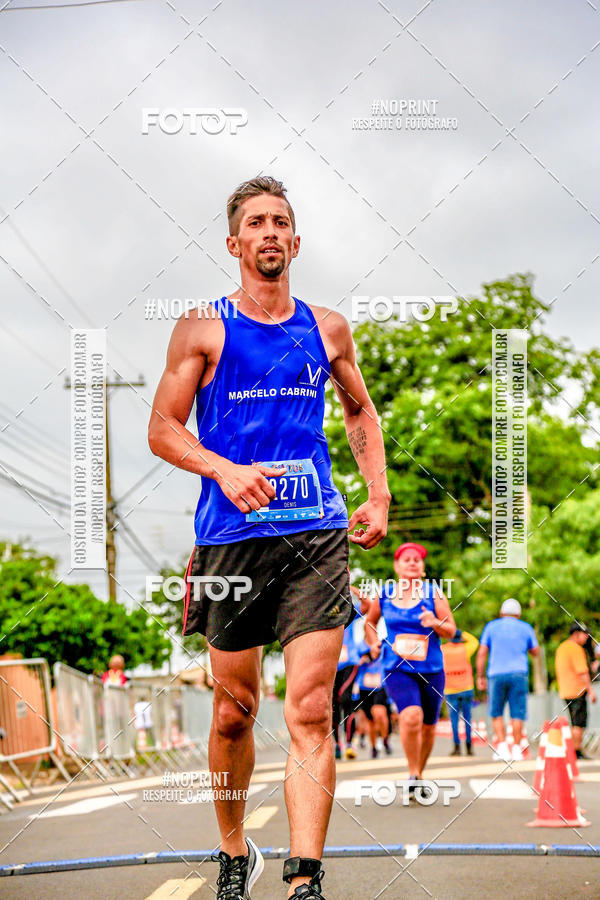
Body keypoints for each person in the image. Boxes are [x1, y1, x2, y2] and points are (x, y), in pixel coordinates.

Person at [148, 176, 390, 900]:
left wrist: (377, 493)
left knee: (312, 706)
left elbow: (360, 413)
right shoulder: (201, 328)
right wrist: (222, 467)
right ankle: (233, 851)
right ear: (235, 243)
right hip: (230, 538)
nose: (270, 232)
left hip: (314, 532)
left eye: (281, 221)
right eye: (256, 223)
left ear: (295, 239)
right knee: (233, 710)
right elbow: (161, 428)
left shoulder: (327, 327)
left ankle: (305, 878)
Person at [364, 543, 456, 794]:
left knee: (428, 727)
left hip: (431, 668)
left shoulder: (434, 593)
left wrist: (434, 622)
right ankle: (413, 773)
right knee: (410, 716)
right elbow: (370, 623)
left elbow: (451, 631)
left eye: (417, 559)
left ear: (423, 567)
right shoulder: (384, 594)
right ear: (397, 566)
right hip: (397, 667)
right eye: (407, 559)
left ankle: (419, 773)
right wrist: (373, 643)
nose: (413, 562)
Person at [476, 598, 539, 762]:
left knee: (496, 711)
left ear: (501, 613)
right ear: (518, 614)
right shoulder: (526, 628)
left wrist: (480, 676)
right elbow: (535, 651)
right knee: (517, 712)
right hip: (519, 674)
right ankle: (517, 748)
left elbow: (482, 652)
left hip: (496, 674)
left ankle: (502, 747)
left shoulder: (491, 627)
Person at [332, 586, 366, 761]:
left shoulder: (349, 608)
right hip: (330, 664)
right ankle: (338, 744)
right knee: (333, 707)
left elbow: (367, 605)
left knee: (345, 698)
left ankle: (350, 743)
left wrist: (351, 587)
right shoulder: (324, 609)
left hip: (349, 662)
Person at [555, 622, 597, 760]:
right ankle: (576, 751)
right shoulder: (575, 649)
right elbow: (582, 672)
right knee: (579, 722)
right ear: (576, 634)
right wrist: (590, 691)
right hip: (577, 690)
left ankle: (574, 751)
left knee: (574, 721)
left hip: (565, 690)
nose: (586, 637)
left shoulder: (562, 647)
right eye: (585, 634)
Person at [442, 629, 479, 756]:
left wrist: (447, 632)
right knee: (468, 719)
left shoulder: (443, 649)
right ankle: (469, 747)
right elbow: (474, 641)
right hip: (466, 688)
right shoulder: (465, 648)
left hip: (451, 690)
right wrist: (461, 632)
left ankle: (457, 747)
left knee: (454, 720)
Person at [354, 640, 392, 758]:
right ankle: (374, 747)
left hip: (380, 686)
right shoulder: (361, 646)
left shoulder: (384, 646)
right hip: (364, 687)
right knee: (370, 720)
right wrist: (361, 659)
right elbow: (352, 657)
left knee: (379, 712)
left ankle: (385, 738)